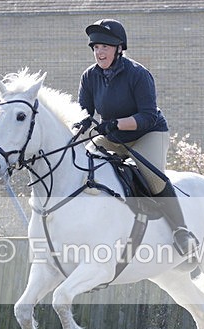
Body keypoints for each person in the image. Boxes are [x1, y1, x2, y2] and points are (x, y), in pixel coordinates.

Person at [75, 19, 197, 258]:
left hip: (147, 134)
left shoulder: (138, 74)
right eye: (96, 47)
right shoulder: (89, 77)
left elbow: (148, 116)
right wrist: (80, 125)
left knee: (152, 178)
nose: (99, 52)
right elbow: (84, 112)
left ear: (119, 49)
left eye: (105, 48)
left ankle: (181, 231)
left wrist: (116, 123)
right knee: (83, 164)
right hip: (112, 136)